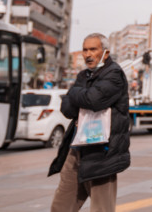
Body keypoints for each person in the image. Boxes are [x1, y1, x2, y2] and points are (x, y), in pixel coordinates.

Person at [49, 33, 131, 211]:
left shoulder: (114, 74)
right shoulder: (83, 75)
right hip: (77, 148)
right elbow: (67, 109)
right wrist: (81, 96)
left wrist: (74, 93)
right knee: (60, 206)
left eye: (93, 49)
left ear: (105, 53)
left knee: (101, 208)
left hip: (102, 153)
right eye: (85, 50)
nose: (88, 54)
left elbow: (94, 100)